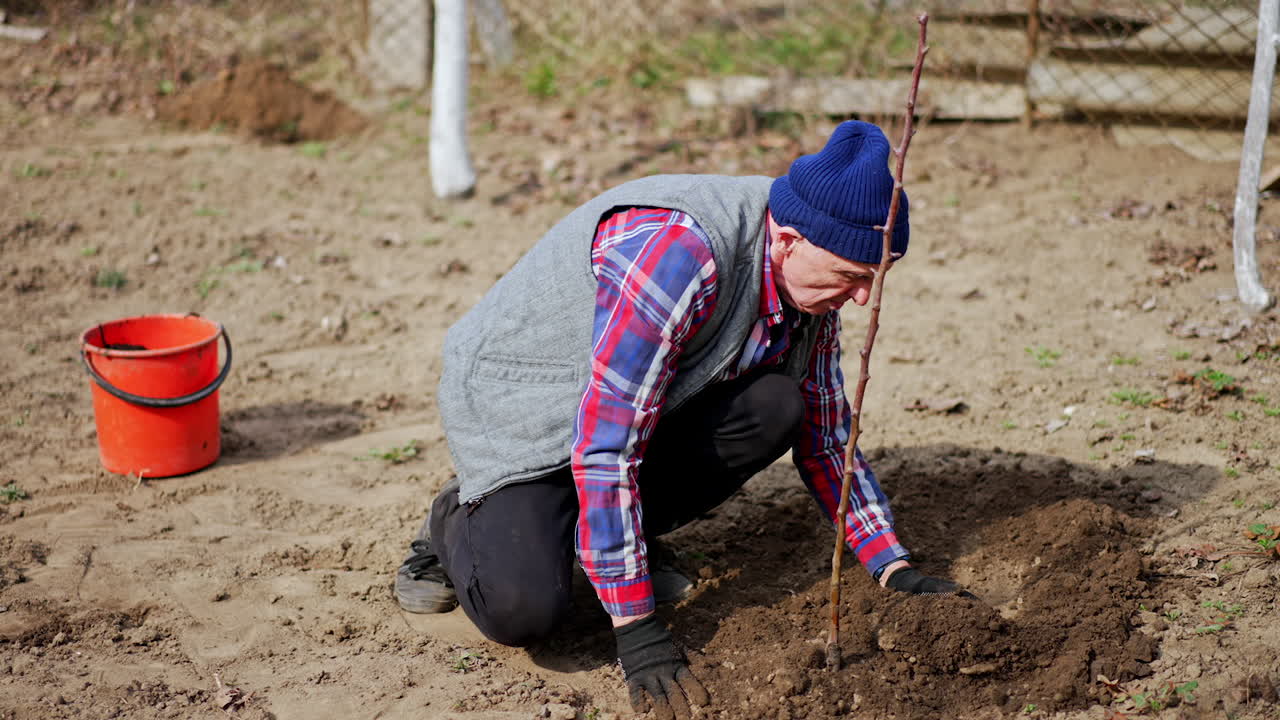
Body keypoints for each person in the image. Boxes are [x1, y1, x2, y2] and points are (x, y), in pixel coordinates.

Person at [393, 120, 972, 719]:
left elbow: (825, 441)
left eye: (873, 280)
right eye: (853, 277)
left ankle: (597, 538)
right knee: (524, 611)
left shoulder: (811, 289)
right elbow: (607, 448)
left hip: (629, 401)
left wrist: (890, 564)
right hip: (522, 406)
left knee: (776, 405)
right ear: (788, 241)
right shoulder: (678, 255)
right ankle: (457, 514)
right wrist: (637, 632)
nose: (861, 299)